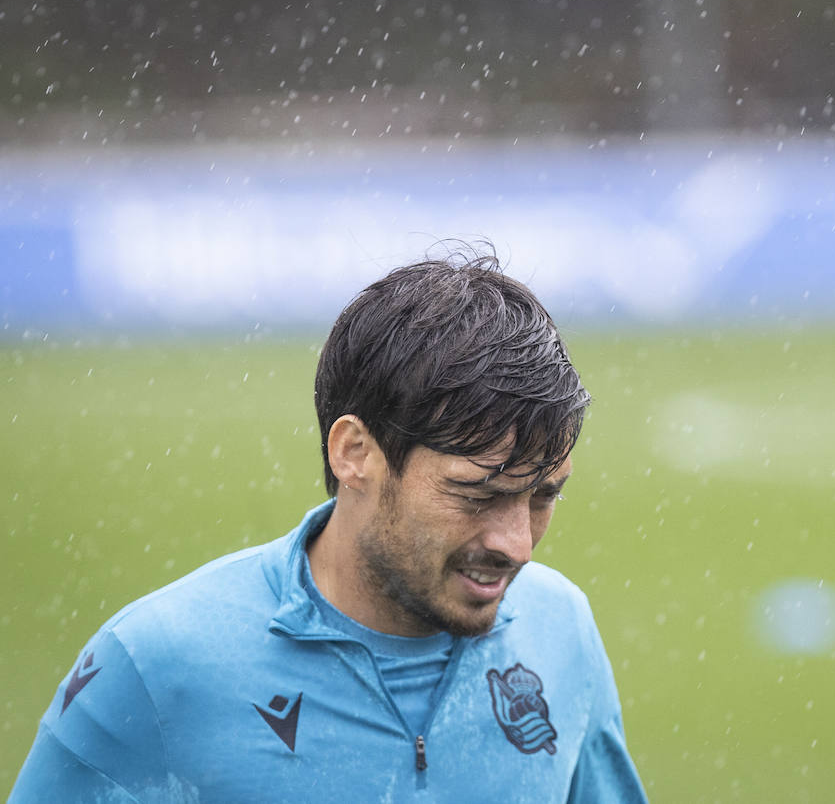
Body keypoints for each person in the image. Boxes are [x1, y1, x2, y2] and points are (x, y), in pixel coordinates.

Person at [11, 252, 649, 802]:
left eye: (544, 495)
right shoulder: (157, 663)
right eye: (477, 493)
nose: (517, 544)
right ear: (355, 454)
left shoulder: (560, 629)